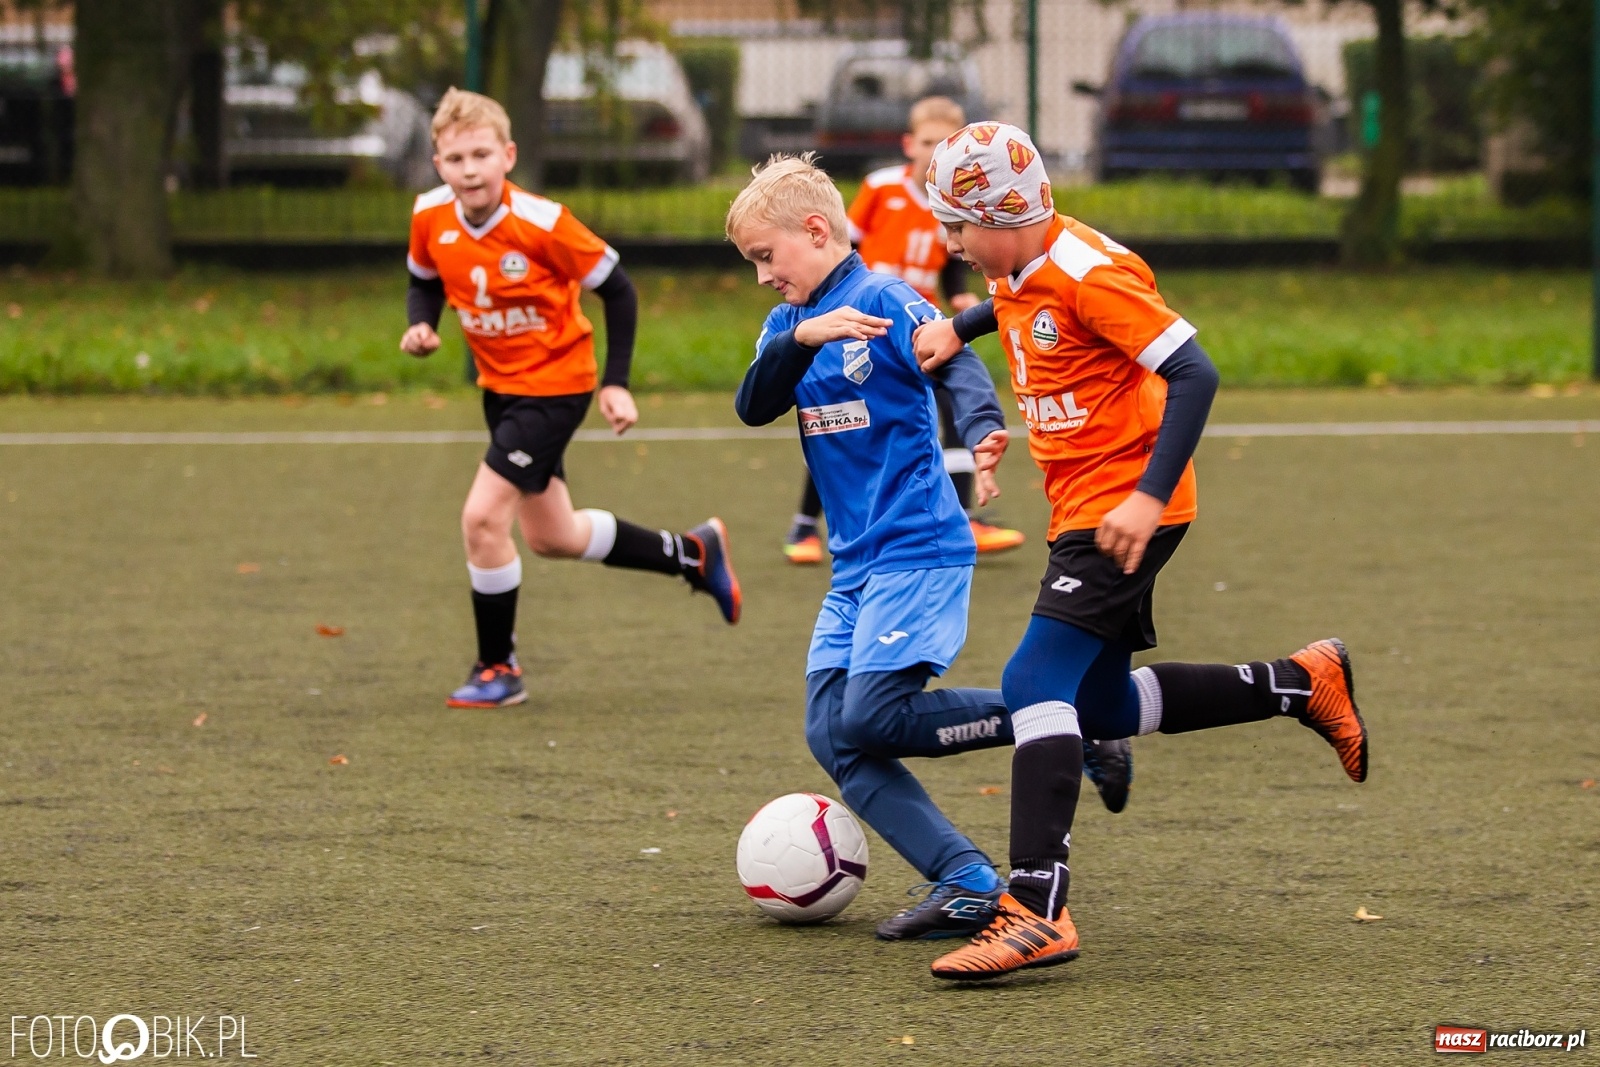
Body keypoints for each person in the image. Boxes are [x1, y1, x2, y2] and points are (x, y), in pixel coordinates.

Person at [911, 123, 1369, 979]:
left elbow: (1196, 372)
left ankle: (1037, 907)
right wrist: (959, 328)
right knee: (1104, 707)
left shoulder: (1090, 274)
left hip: (1124, 510)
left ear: (1002, 214)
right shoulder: (1020, 262)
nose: (952, 245)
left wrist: (1147, 496)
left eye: (958, 227)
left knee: (1030, 684)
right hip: (1086, 506)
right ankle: (1302, 681)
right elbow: (1016, 298)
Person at [727, 153, 1131, 942]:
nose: (763, 276)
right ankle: (969, 882)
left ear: (815, 231)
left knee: (874, 716)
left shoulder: (883, 300)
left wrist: (982, 432)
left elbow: (956, 361)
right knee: (832, 733)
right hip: (857, 563)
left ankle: (1070, 720)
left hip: (917, 545)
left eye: (766, 257)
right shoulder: (791, 325)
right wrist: (802, 336)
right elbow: (753, 403)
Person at [400, 88, 741, 709]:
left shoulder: (543, 223)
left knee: (482, 519)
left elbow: (621, 291)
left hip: (557, 387)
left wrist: (615, 381)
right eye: (455, 159)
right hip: (500, 391)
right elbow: (423, 280)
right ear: (437, 163)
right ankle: (692, 555)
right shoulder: (429, 215)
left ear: (508, 155)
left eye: (481, 154)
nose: (469, 169)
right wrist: (423, 325)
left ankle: (497, 668)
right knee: (553, 535)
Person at [781, 96, 1024, 566]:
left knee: (951, 407)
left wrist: (959, 299)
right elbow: (839, 248)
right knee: (844, 416)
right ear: (909, 144)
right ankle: (806, 524)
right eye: (929, 142)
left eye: (946, 144)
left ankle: (965, 513)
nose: (936, 152)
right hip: (866, 324)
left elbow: (947, 260)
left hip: (915, 327)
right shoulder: (880, 188)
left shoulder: (948, 201)